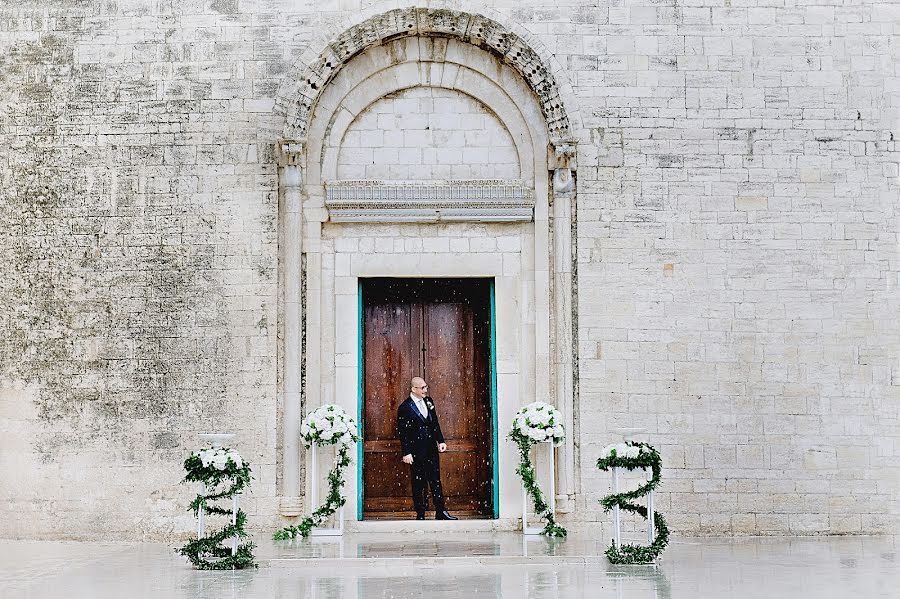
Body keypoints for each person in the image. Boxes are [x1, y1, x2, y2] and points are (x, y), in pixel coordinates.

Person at [397, 377, 458, 520]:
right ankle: (420, 513)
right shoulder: (405, 407)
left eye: (425, 387)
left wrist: (440, 440)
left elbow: (434, 422)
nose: (426, 390)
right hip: (416, 451)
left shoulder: (429, 401)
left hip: (431, 449)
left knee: (435, 480)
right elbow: (403, 432)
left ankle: (441, 511)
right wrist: (406, 452)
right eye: (423, 388)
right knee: (419, 482)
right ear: (414, 389)